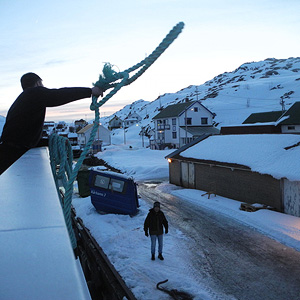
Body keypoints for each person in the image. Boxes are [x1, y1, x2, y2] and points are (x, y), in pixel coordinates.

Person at [0, 72, 103, 175]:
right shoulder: (34, 93)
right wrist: (90, 91)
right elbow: (59, 95)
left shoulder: (24, 99)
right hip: (13, 155)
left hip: (8, 152)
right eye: (42, 84)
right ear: (37, 83)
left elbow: (22, 136)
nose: (44, 88)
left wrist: (47, 142)